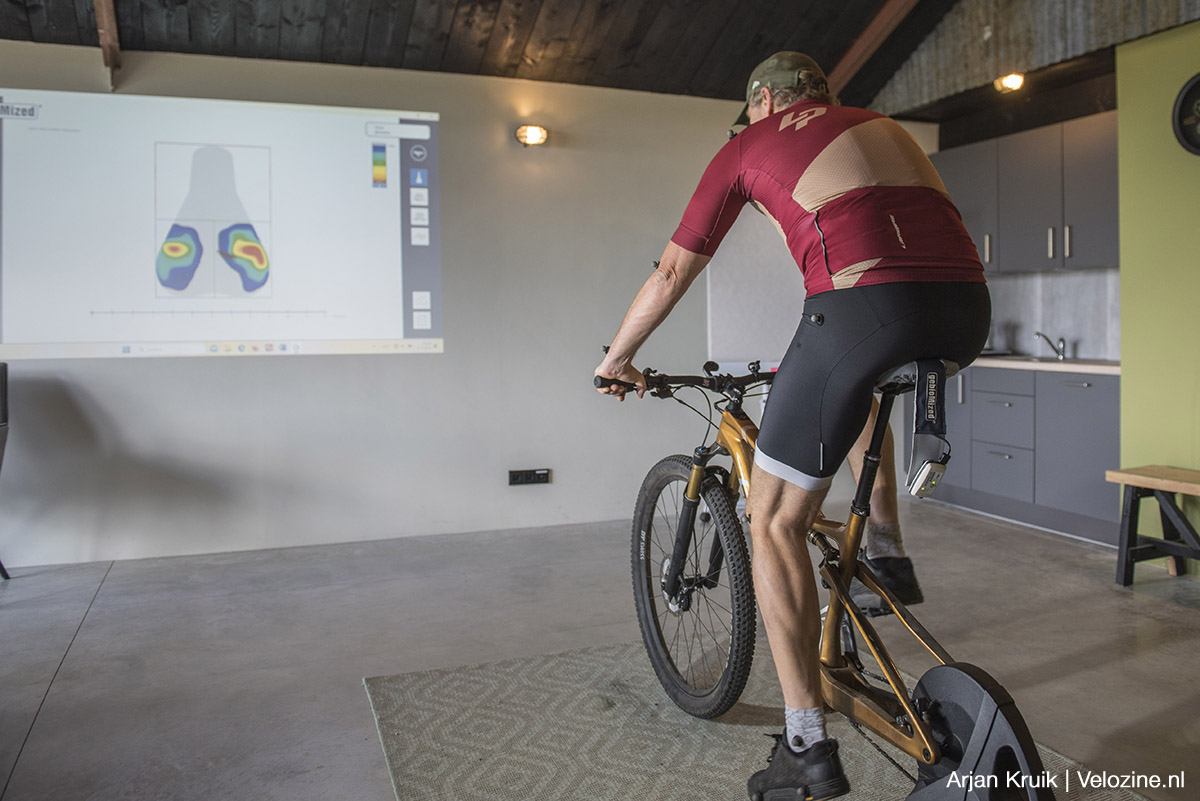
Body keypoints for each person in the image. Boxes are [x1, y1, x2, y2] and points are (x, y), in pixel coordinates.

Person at [594, 52, 990, 801]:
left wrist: (618, 359)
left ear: (765, 100)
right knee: (858, 388)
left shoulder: (749, 143)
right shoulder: (880, 125)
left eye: (753, 110)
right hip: (965, 311)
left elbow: (673, 271)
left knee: (773, 520)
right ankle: (885, 547)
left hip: (864, 307)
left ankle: (806, 745)